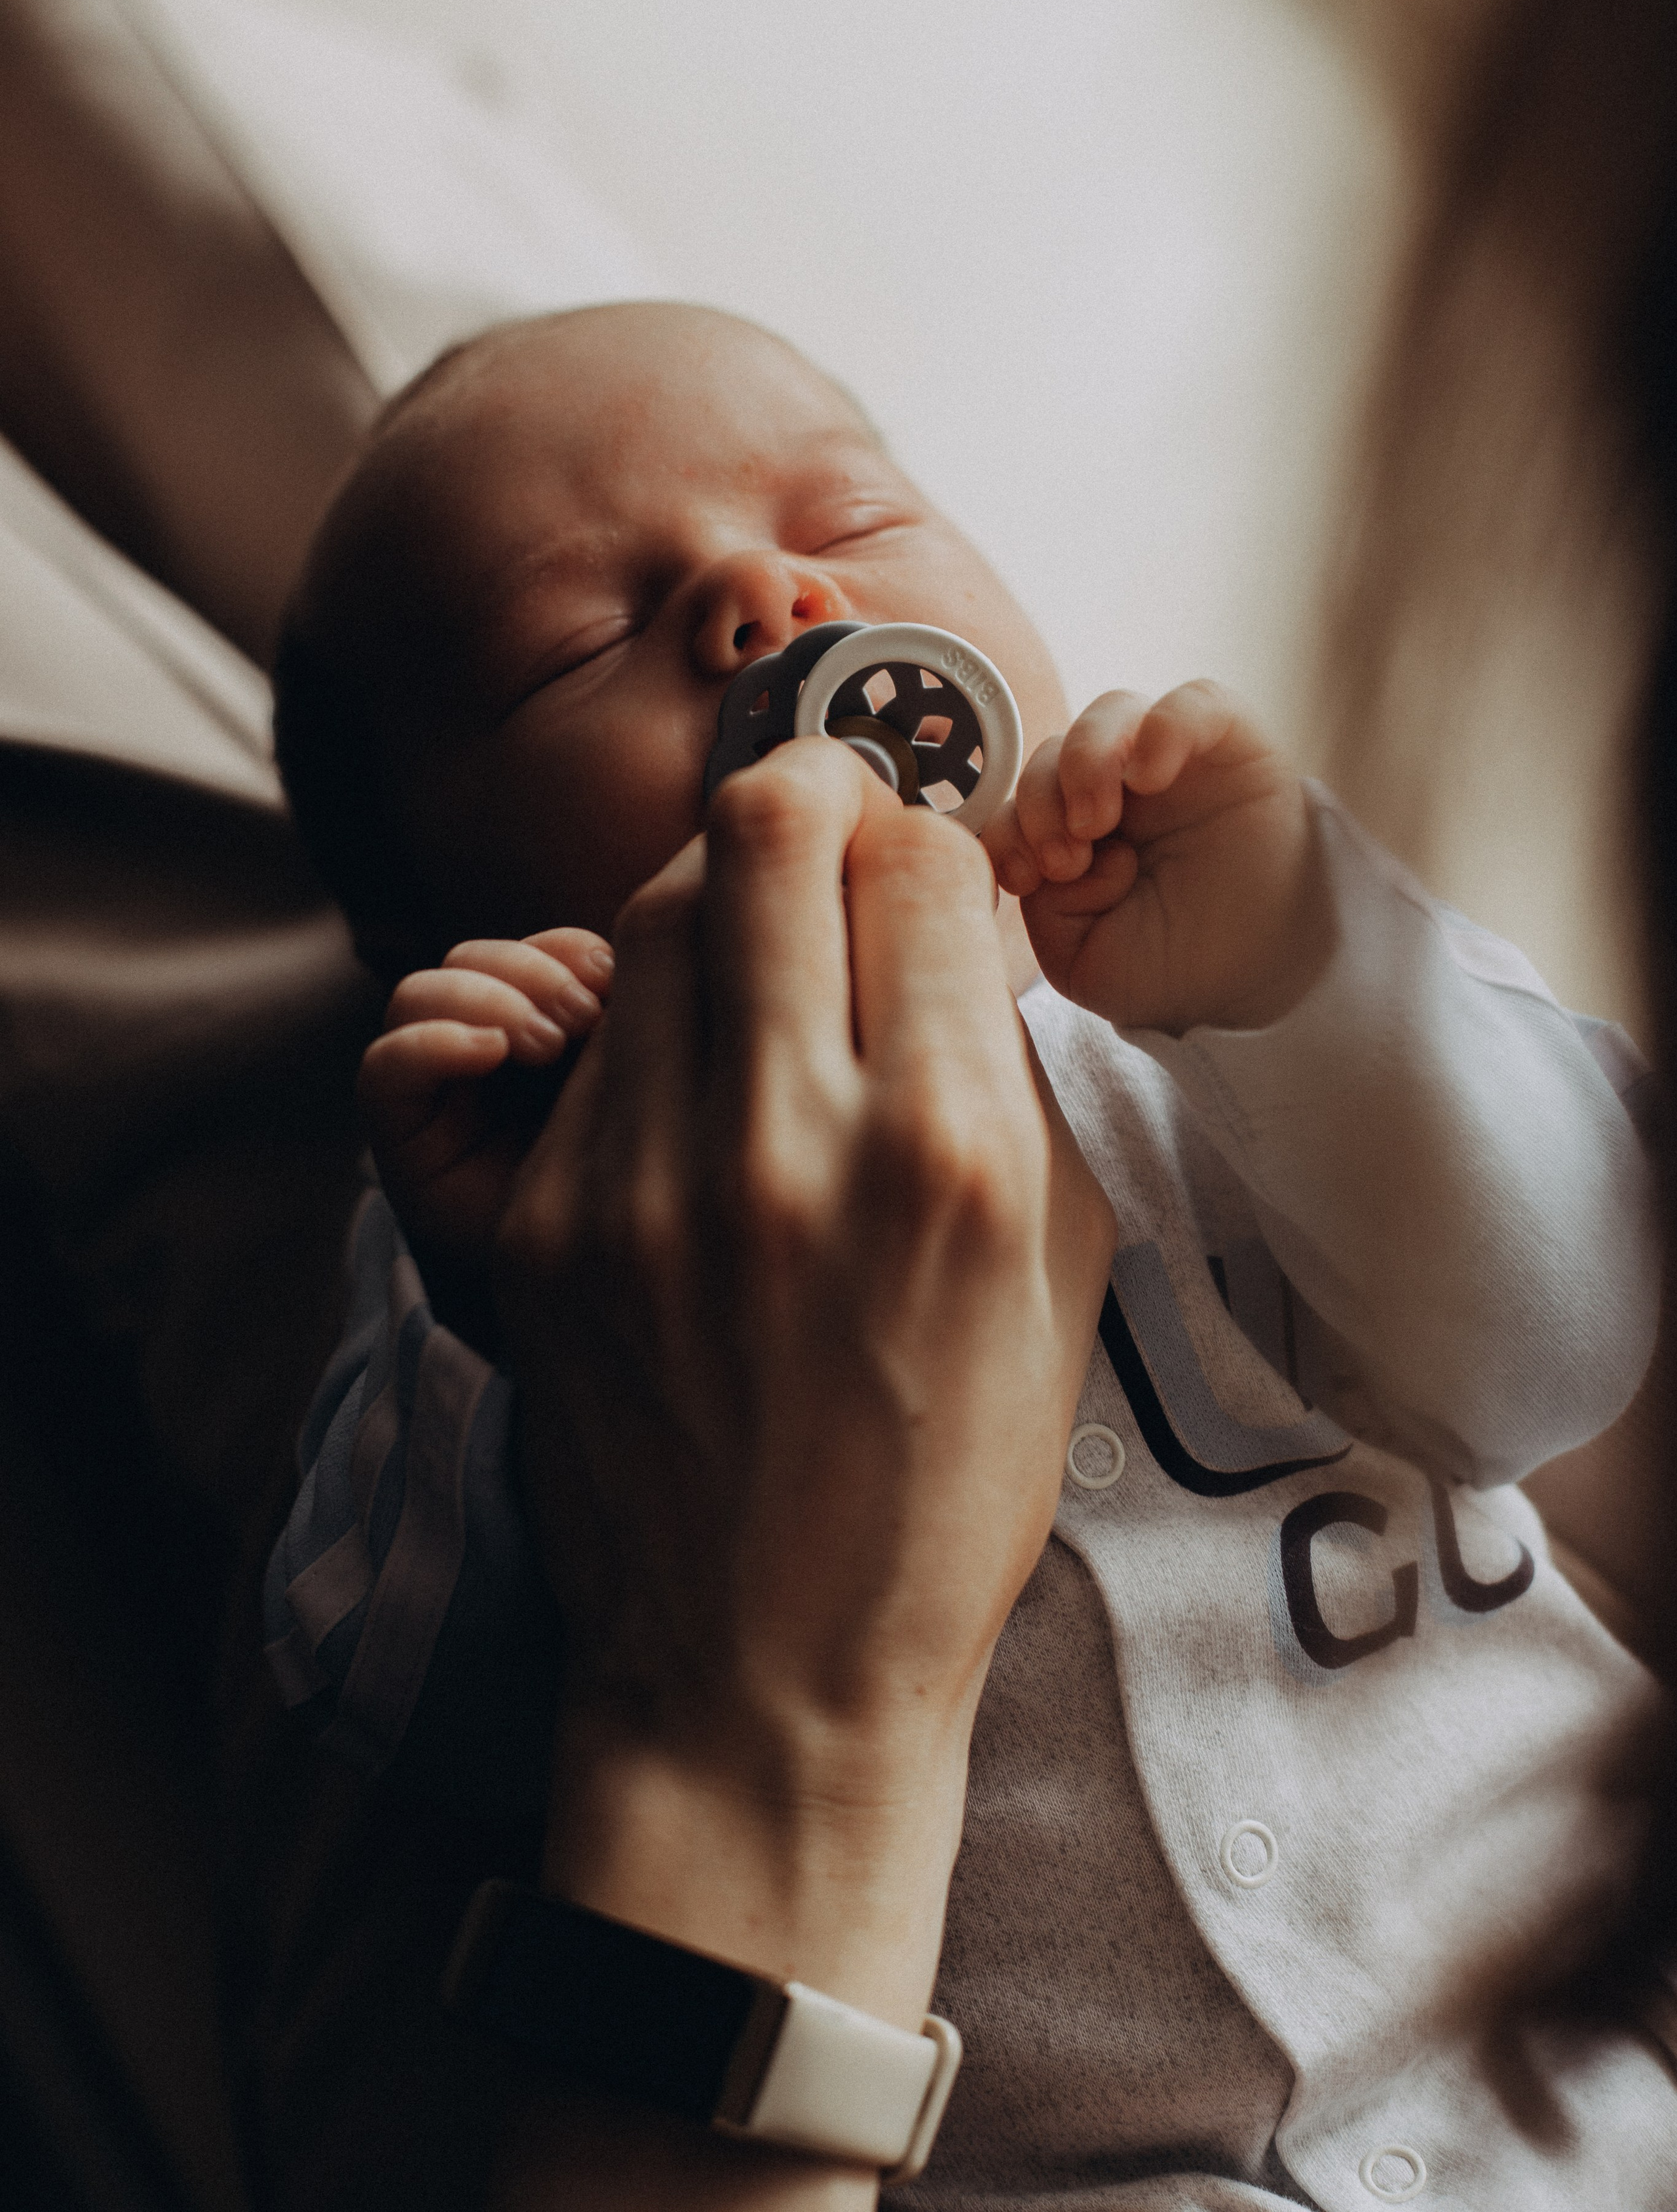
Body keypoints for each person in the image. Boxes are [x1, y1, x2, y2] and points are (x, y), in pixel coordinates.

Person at [259, 296, 1671, 2209]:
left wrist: (1307, 964)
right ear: (447, 914)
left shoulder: (1239, 1025)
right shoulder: (528, 1228)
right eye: (575, 641)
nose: (761, 596)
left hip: (1577, 2080)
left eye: (848, 515)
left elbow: (1568, 1344)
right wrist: (490, 1330)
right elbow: (404, 1710)